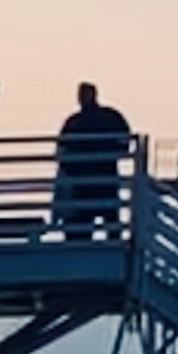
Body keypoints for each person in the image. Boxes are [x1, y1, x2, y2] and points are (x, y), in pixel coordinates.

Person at [57, 80, 133, 242]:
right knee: (97, 220)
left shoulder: (76, 121)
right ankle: (110, 242)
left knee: (99, 220)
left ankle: (106, 242)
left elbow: (62, 150)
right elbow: (125, 139)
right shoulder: (108, 117)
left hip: (94, 180)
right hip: (94, 180)